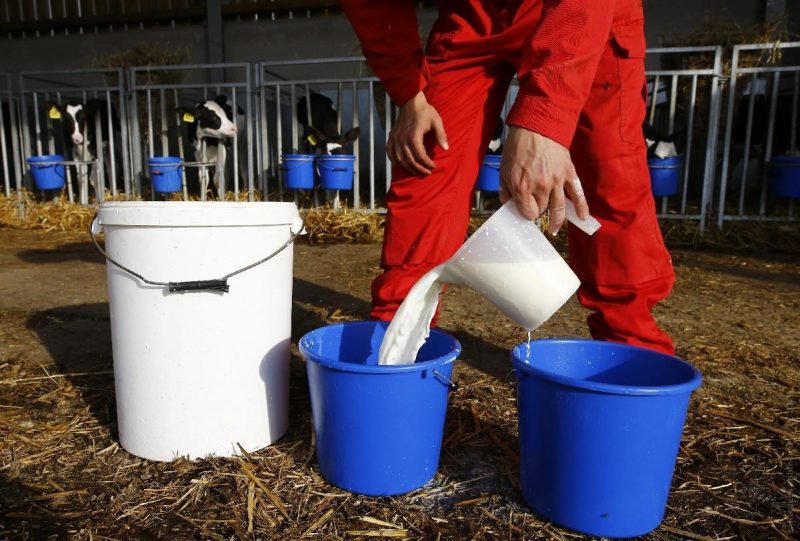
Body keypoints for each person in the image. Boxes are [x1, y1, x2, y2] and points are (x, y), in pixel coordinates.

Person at [341, 0, 675, 355]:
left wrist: (545, 120)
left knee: (607, 171)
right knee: (426, 158)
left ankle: (630, 350)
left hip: (579, 14)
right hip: (470, 15)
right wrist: (410, 94)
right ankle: (396, 338)